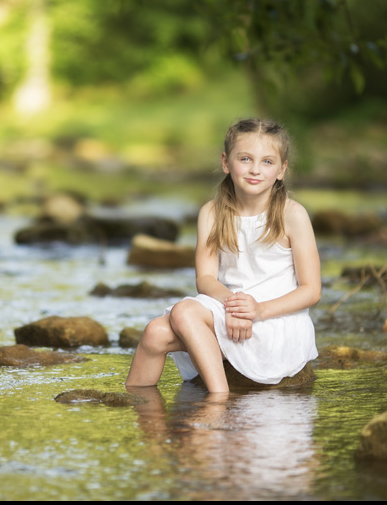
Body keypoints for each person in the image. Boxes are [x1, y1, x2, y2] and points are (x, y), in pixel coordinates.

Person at [125, 118, 321, 394]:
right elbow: (205, 278)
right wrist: (235, 307)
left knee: (183, 311)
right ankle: (141, 414)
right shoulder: (212, 212)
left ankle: (218, 398)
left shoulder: (293, 215)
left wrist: (258, 310)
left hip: (275, 319)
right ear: (226, 162)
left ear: (281, 169)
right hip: (229, 311)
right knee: (155, 333)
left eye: (267, 162)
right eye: (245, 159)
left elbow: (311, 291)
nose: (255, 169)